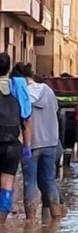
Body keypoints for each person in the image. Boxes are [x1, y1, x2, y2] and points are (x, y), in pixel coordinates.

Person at [20, 64, 65, 220]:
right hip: (51, 143)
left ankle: (31, 221)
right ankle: (56, 217)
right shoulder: (48, 91)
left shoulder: (21, 94)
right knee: (49, 181)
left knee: (30, 182)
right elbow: (56, 112)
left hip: (30, 145)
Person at [0, 54, 28, 223]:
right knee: (8, 179)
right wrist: (27, 146)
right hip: (12, 144)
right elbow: (26, 116)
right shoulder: (17, 86)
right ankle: (2, 219)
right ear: (8, 68)